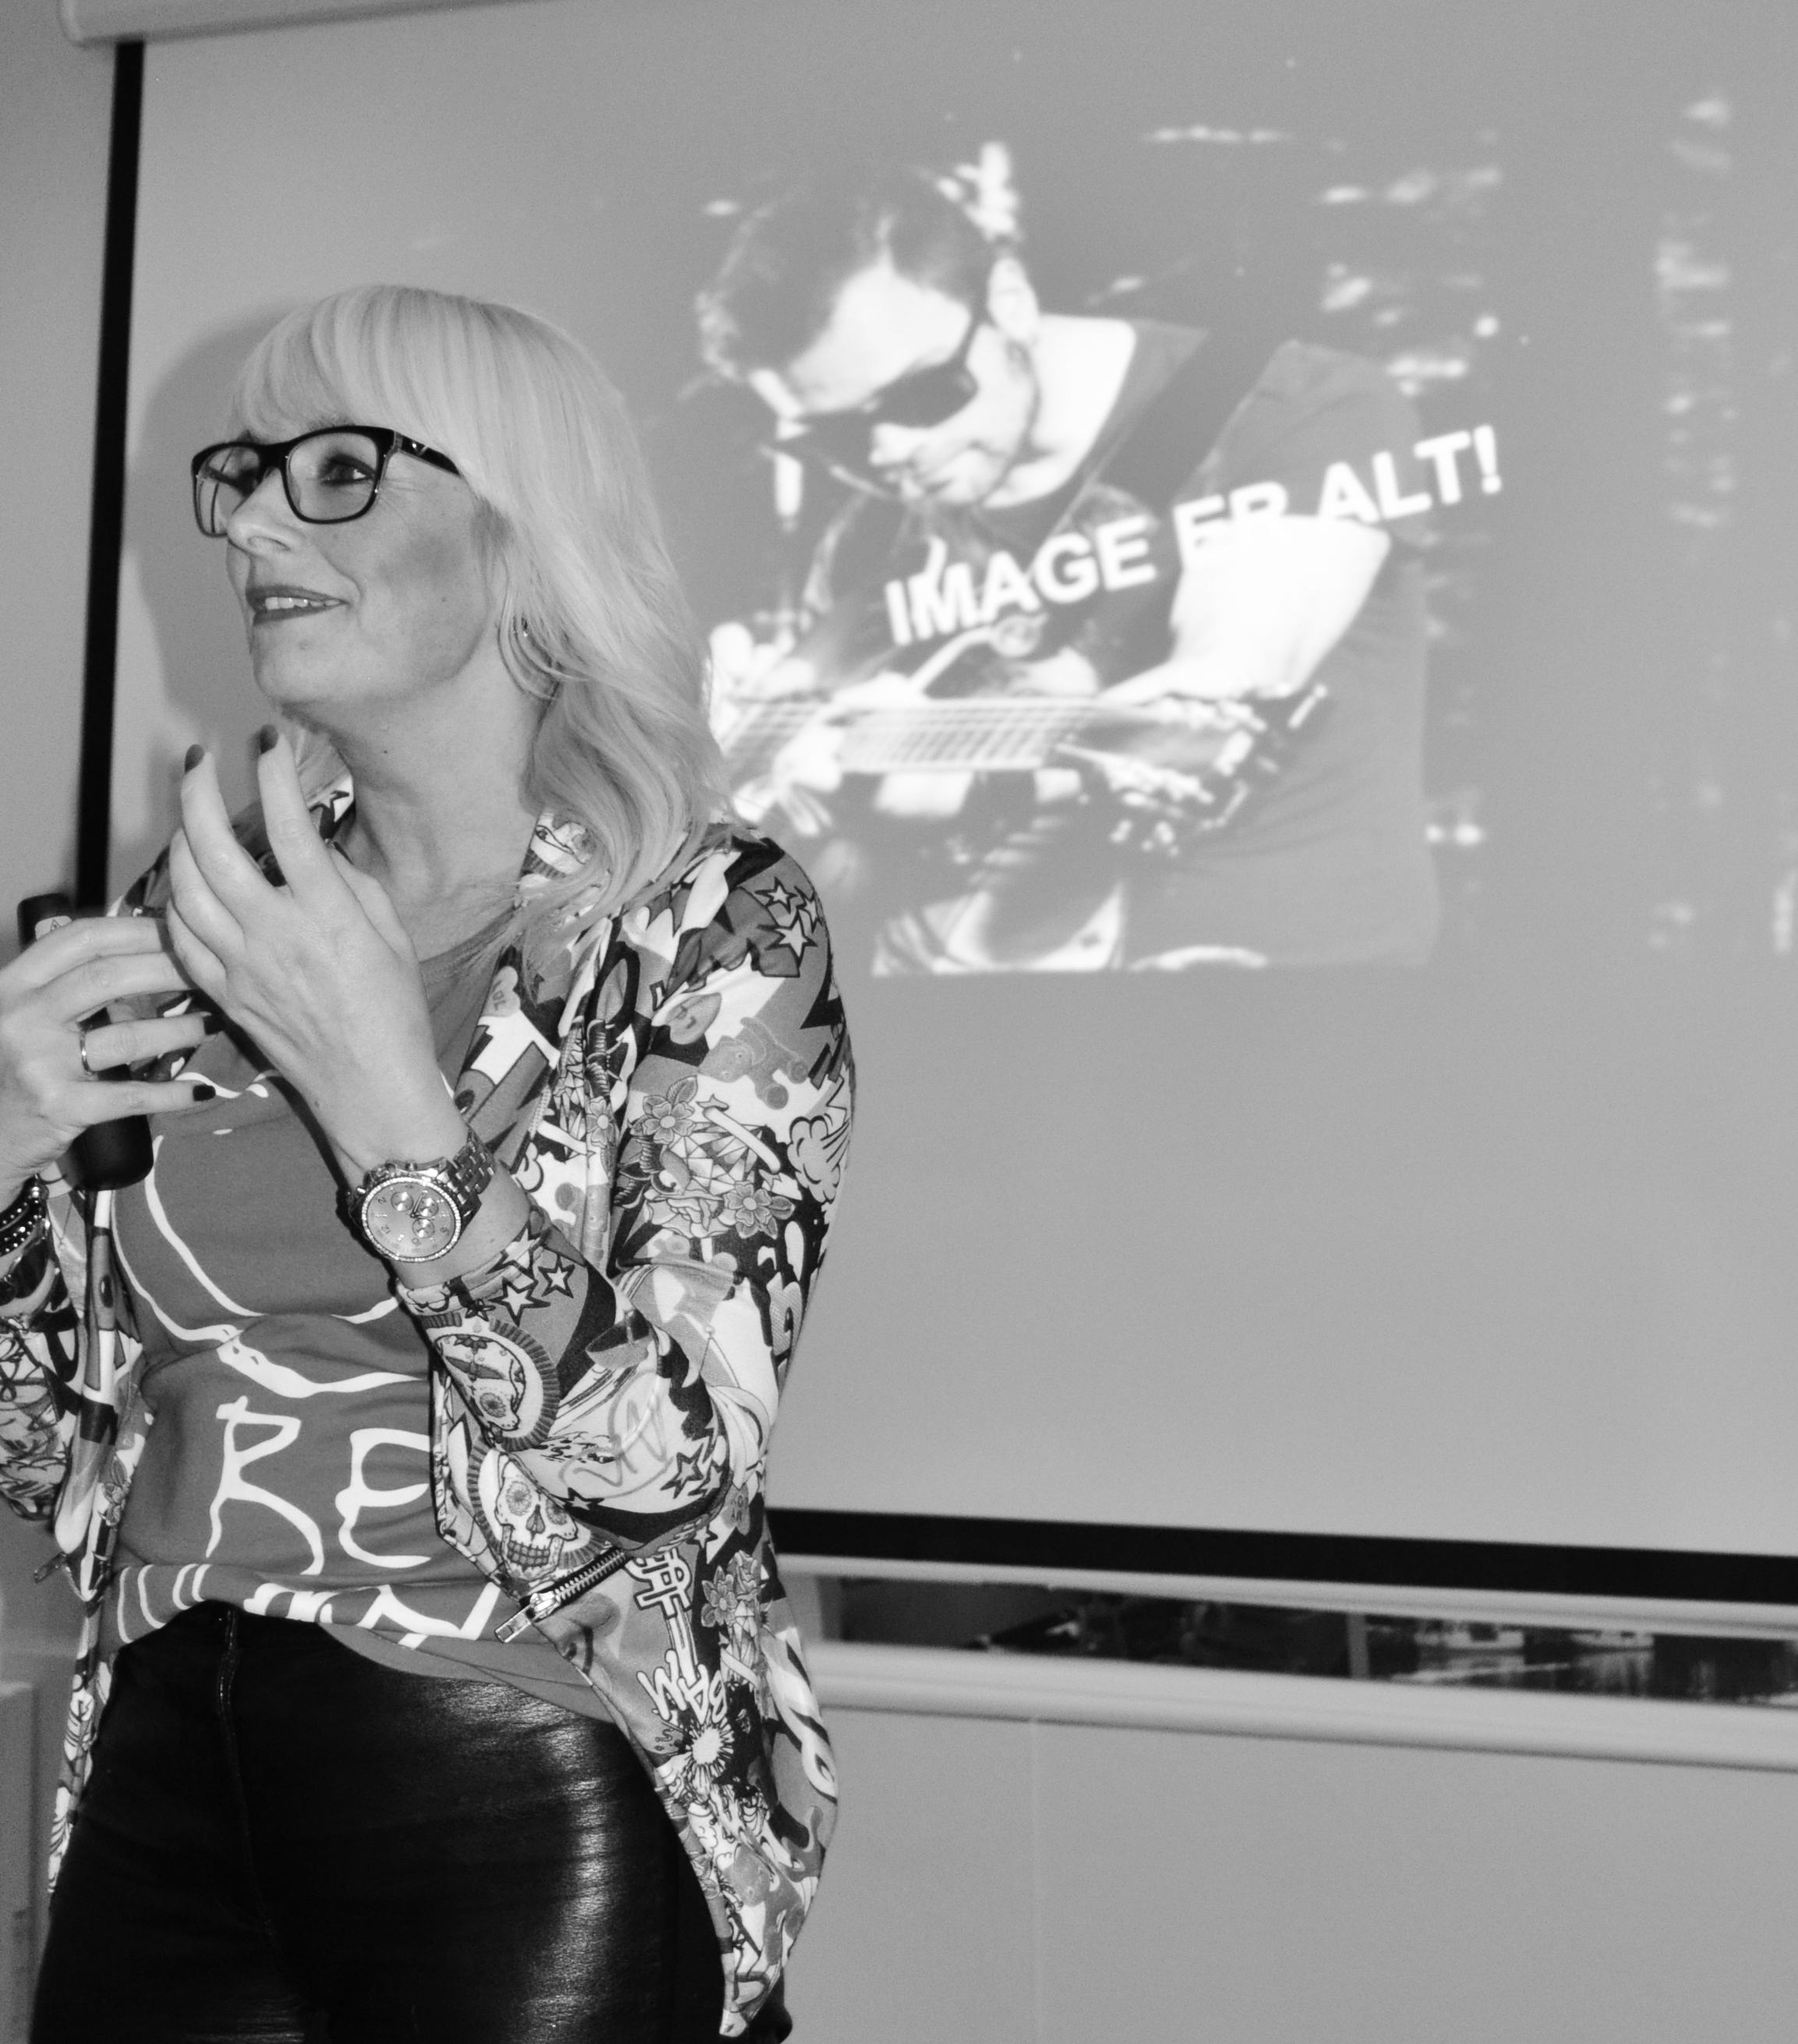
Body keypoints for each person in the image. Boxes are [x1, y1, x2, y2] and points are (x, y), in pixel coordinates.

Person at [0, 285, 851, 2042]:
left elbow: (672, 1461)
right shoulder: (212, 909)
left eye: (333, 471)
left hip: (519, 1768)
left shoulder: (705, 920)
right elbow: (48, 1456)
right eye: (244, 477)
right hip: (165, 1754)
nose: (250, 526)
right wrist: (2, 1158)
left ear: (518, 532)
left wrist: (397, 1114)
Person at [698, 164, 1442, 972]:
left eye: (922, 395)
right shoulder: (869, 538)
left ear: (1009, 300)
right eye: (834, 438)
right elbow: (846, 865)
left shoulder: (1294, 410)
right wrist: (775, 791)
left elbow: (1228, 677)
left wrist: (955, 769)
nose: (888, 453)